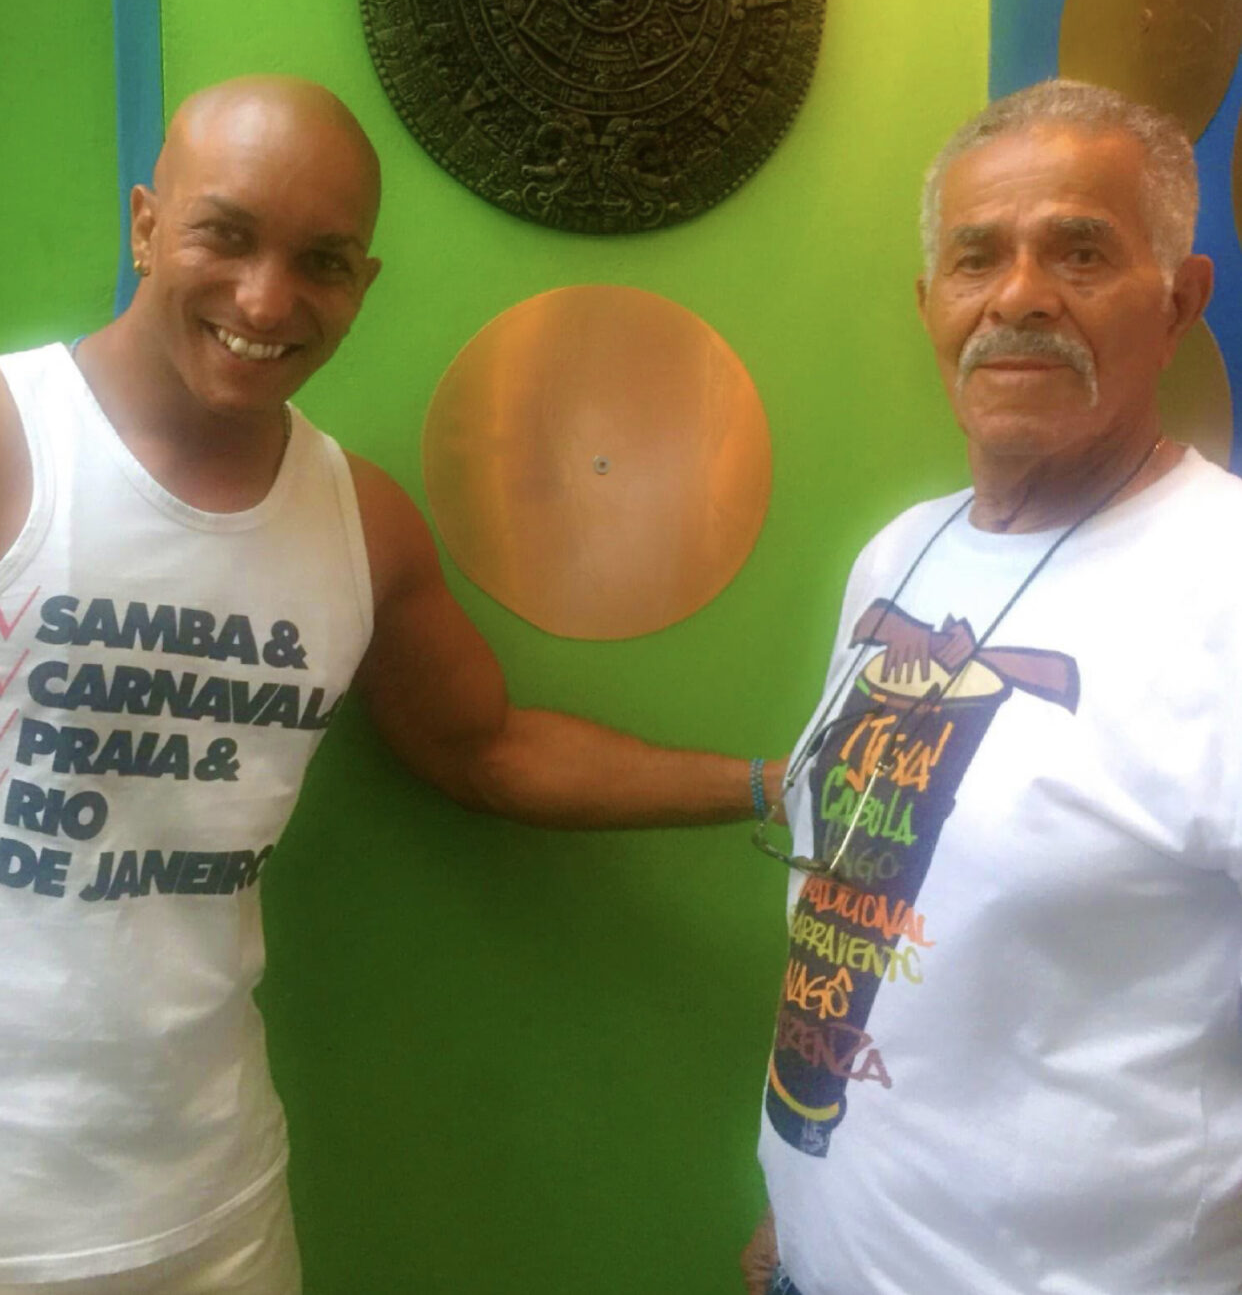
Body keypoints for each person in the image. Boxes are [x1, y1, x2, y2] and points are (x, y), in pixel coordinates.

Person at [0, 75, 782, 1293]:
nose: (266, 299)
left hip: (213, 1202)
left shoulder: (358, 524)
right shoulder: (19, 439)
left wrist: (772, 785)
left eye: (321, 261)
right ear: (145, 224)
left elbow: (487, 749)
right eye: (224, 234)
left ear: (362, 284)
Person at [743, 78, 1238, 1295]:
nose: (1019, 296)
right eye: (977, 258)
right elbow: (878, 905)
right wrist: (804, 1203)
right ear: (931, 305)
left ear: (1179, 302)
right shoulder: (899, 558)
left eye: (1081, 252)